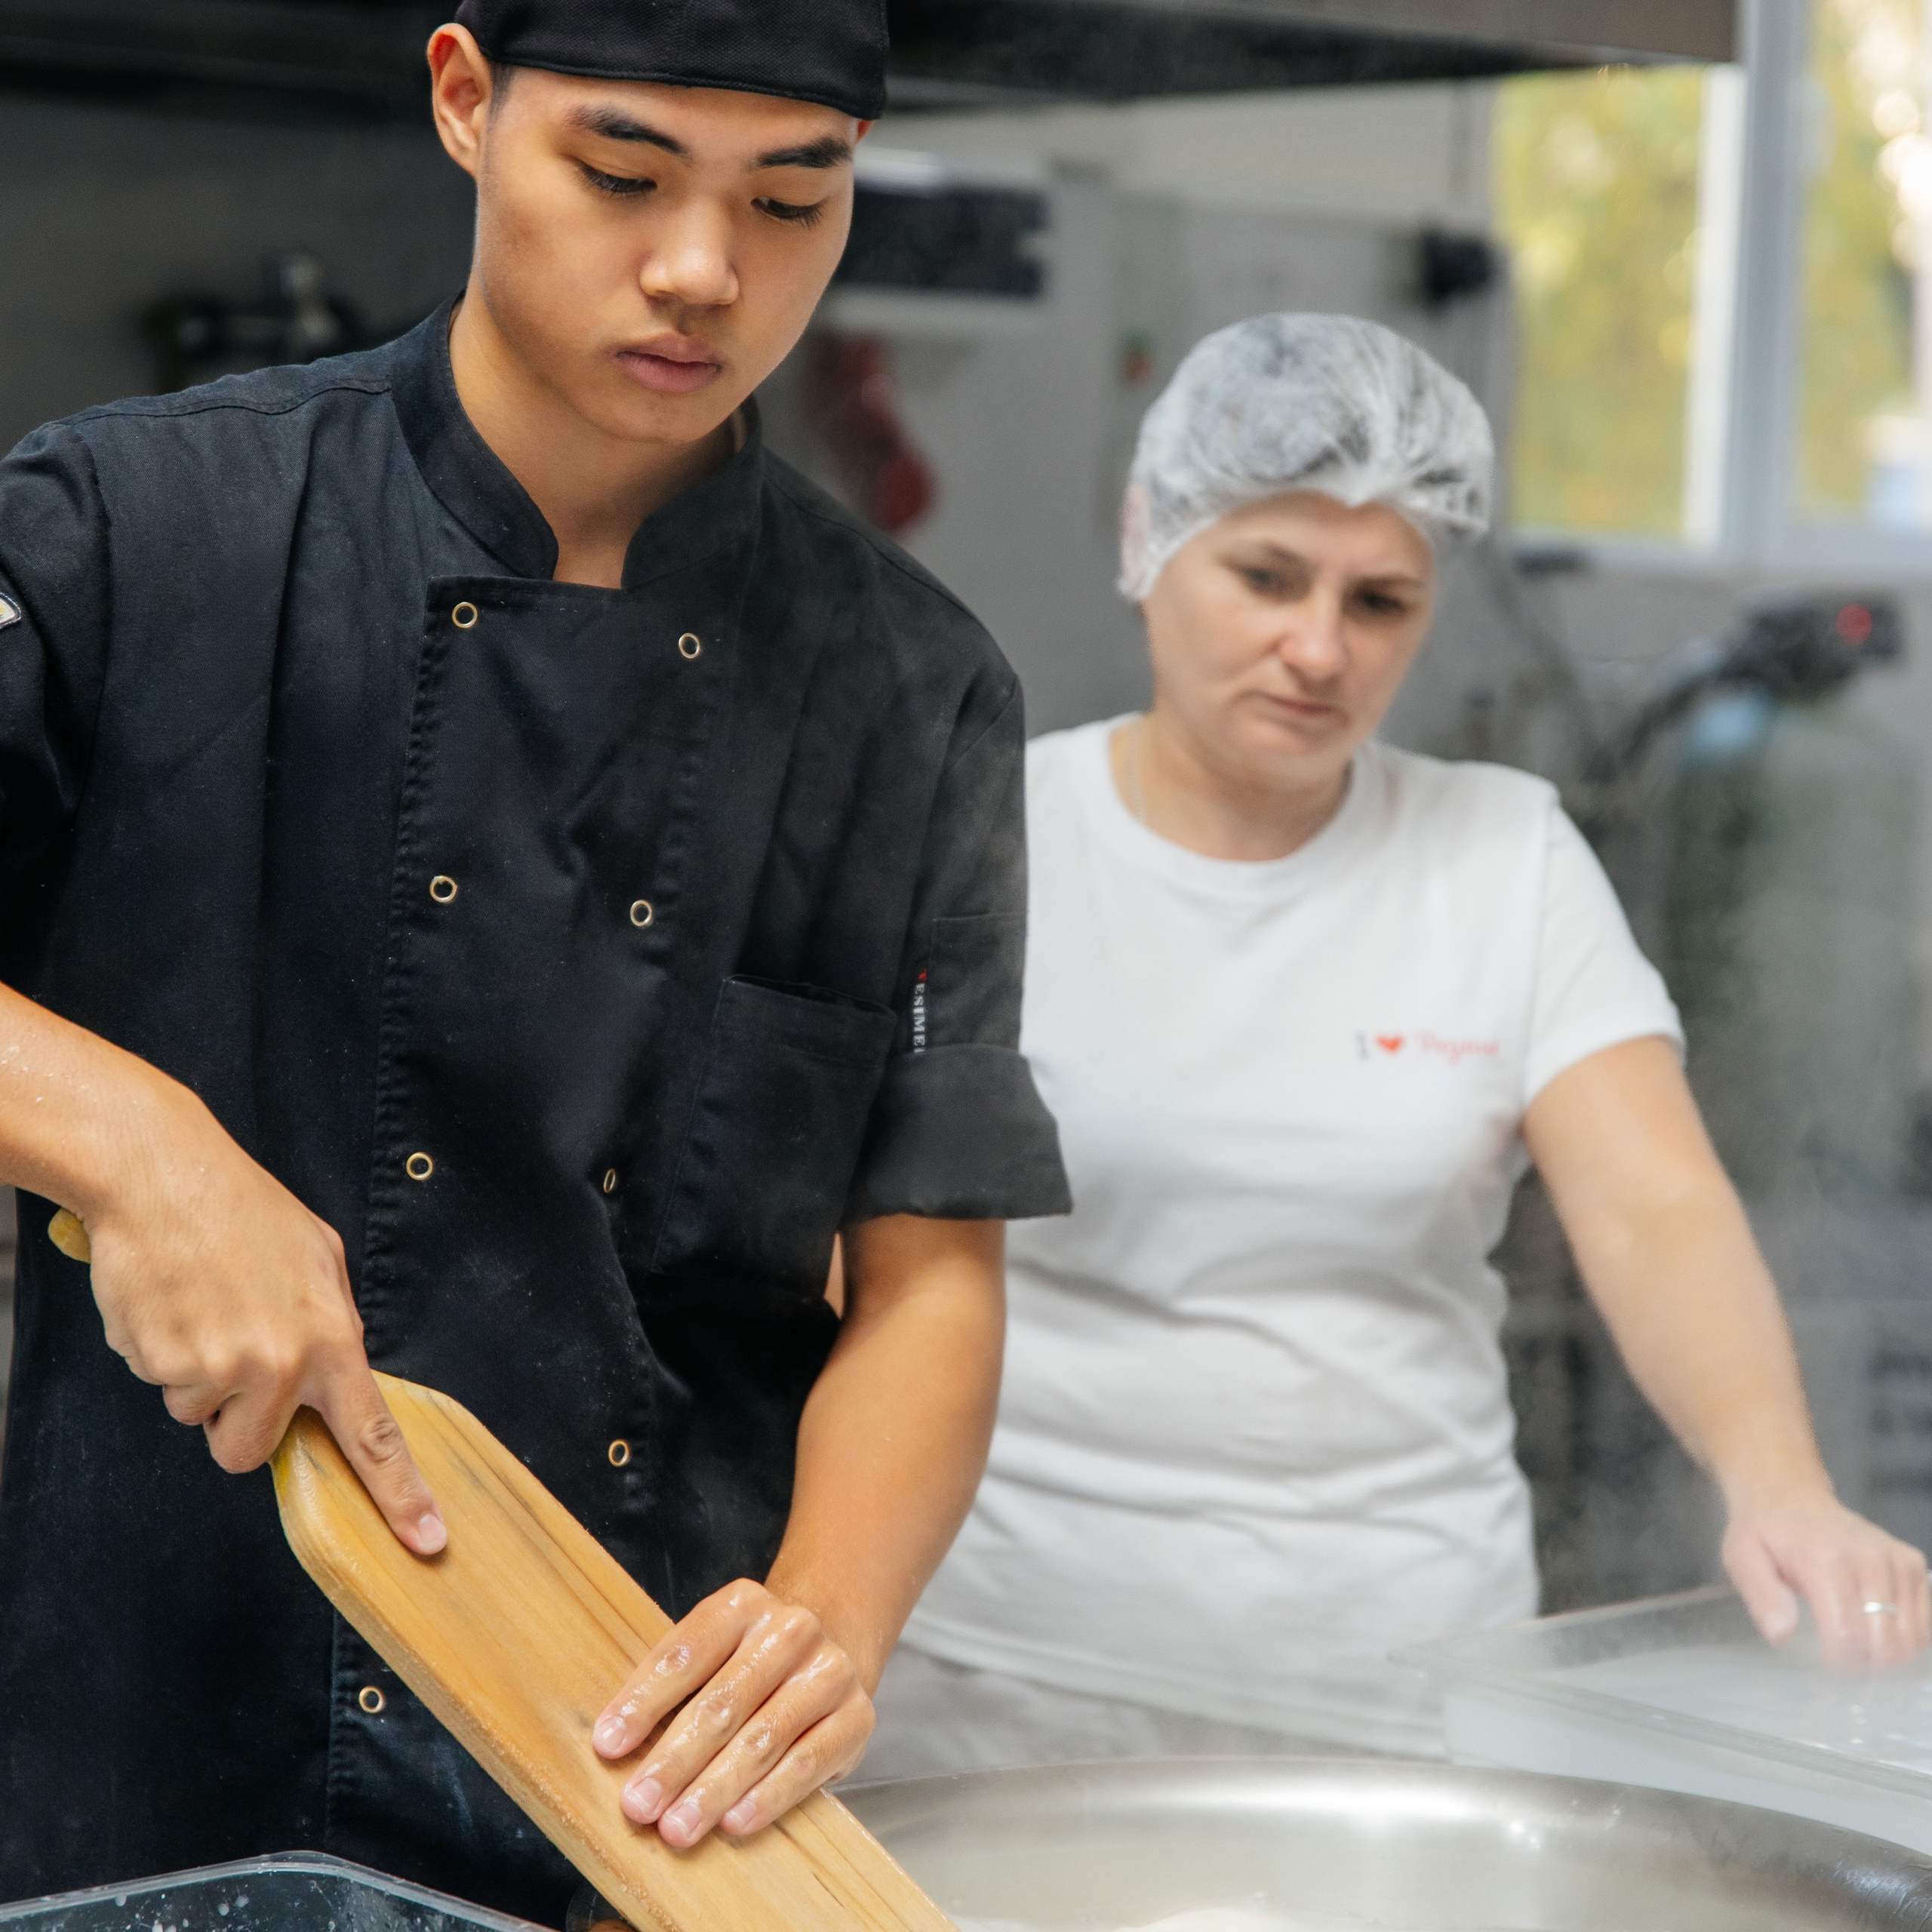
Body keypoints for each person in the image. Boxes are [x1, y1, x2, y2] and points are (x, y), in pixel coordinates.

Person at [0, 3, 1068, 1918]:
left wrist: (824, 1617)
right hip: (157, 1752)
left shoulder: (909, 687)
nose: (702, 269)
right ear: (464, 100)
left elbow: (927, 1278)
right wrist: (132, 1139)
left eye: (790, 201)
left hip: (635, 1785)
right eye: (623, 172)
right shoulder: (141, 528)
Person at [865, 314, 1930, 1777]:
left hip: (1386, 1681)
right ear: (1147, 537)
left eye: (1379, 600)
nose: (1319, 648)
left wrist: (1780, 1484)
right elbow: (849, 1247)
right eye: (1266, 576)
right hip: (995, 1668)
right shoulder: (987, 838)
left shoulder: (1503, 855)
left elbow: (1654, 1206)